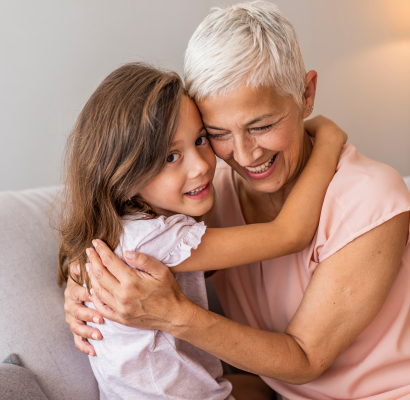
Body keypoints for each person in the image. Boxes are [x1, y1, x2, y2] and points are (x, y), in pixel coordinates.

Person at [65, 2, 410, 399]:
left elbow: (305, 358)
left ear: (307, 94)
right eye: (217, 134)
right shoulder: (203, 197)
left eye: (261, 125)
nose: (244, 154)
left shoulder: (371, 198)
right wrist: (83, 284)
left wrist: (173, 315)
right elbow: (122, 239)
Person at [55, 62, 345, 399]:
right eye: (171, 157)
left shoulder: (119, 229)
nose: (201, 166)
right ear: (124, 174)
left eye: (201, 139)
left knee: (265, 389)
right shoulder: (156, 239)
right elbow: (290, 233)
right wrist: (327, 138)